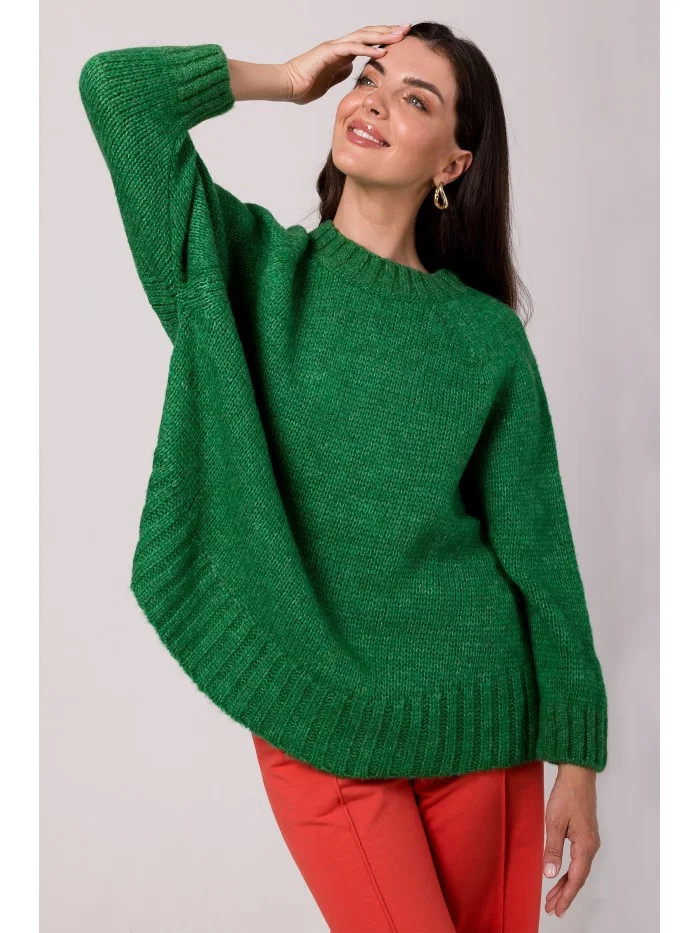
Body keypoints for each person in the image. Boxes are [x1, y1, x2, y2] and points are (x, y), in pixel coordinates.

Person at [79, 21, 608, 930]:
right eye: (370, 78)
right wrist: (286, 78)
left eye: (415, 99)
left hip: (478, 714)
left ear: (453, 164)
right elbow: (116, 92)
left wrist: (580, 759)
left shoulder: (485, 338)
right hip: (318, 712)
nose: (373, 101)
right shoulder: (248, 274)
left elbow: (539, 547)